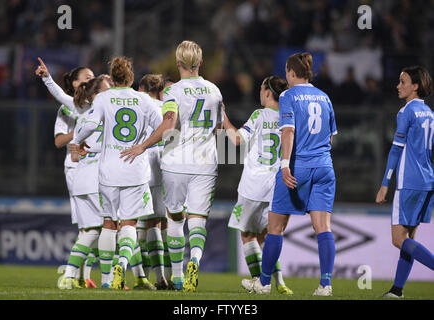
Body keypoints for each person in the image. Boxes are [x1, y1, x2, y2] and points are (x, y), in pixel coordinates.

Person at [120, 40, 224, 292]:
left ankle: (177, 277)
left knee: (175, 219)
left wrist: (142, 146)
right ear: (200, 63)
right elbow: (219, 129)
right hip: (205, 164)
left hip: (176, 162)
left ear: (178, 63)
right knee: (198, 219)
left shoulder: (173, 92)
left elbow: (168, 125)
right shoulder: (215, 91)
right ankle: (195, 261)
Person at [241, 52, 337, 296]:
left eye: (286, 70)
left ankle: (263, 283)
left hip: (298, 167)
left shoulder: (288, 95)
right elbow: (330, 136)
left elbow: (288, 132)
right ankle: (325, 284)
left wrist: (285, 164)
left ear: (292, 72)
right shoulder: (324, 97)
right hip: (325, 166)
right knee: (323, 228)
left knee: (275, 228)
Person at [72, 56, 163, 290]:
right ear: (131, 77)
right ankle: (122, 264)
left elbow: (89, 126)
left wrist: (78, 142)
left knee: (109, 224)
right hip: (135, 169)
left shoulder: (103, 98)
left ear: (112, 78)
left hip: (108, 171)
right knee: (130, 224)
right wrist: (143, 146)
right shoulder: (143, 100)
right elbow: (164, 127)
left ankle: (105, 280)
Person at [223, 75, 293, 295]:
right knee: (269, 236)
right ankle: (279, 282)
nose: (259, 92)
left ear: (268, 92)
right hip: (277, 185)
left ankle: (258, 280)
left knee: (247, 235)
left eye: (261, 88)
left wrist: (223, 117)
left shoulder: (259, 115)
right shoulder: (288, 117)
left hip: (253, 185)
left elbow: (236, 140)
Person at [35, 59, 98, 288]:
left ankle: (83, 274)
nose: (91, 80)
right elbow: (59, 141)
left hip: (94, 166)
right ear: (74, 83)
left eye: (93, 77)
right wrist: (81, 130)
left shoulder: (96, 104)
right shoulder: (70, 107)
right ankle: (76, 274)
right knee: (88, 225)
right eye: (87, 77)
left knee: (95, 225)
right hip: (76, 167)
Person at [376, 66, 434, 298]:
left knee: (398, 239)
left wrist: (384, 183)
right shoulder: (429, 113)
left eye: (403, 82)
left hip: (409, 181)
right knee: (409, 238)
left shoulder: (406, 112)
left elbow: (396, 150)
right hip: (427, 181)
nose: (398, 86)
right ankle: (397, 290)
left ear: (415, 86)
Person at [59, 76, 110, 289]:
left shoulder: (84, 116)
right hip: (95, 180)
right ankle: (109, 281)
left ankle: (68, 275)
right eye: (108, 89)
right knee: (110, 227)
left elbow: (74, 149)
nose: (112, 92)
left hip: (81, 178)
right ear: (96, 94)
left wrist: (78, 153)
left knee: (90, 231)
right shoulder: (106, 114)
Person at [137, 74, 173, 289]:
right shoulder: (168, 108)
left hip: (141, 162)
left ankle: (146, 275)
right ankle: (167, 276)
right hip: (164, 165)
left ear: (142, 88)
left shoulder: (139, 102)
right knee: (161, 222)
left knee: (138, 224)